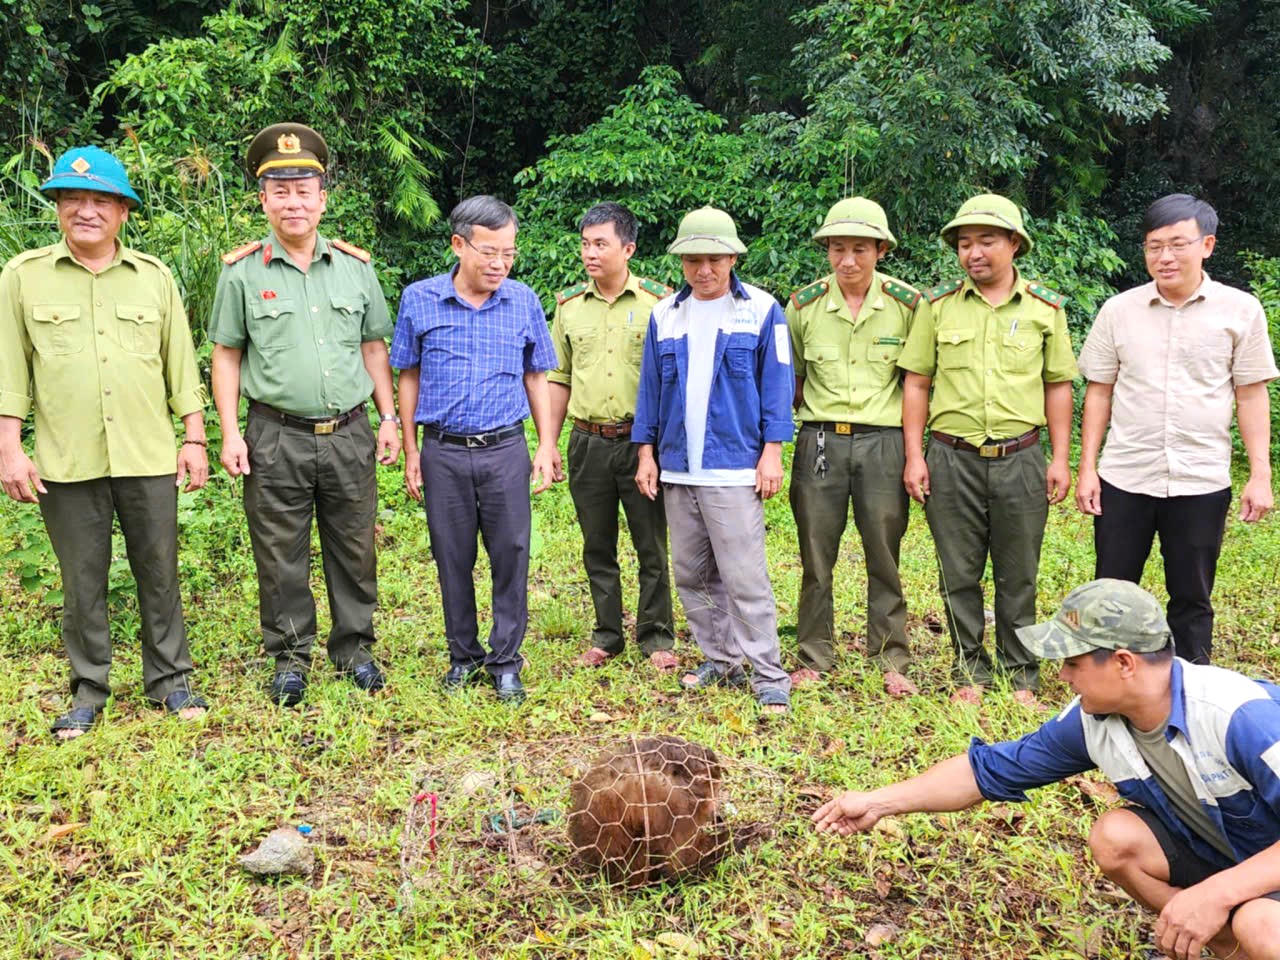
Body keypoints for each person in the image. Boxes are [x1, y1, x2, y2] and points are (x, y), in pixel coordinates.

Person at [813, 578, 1280, 960]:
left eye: (1073, 663)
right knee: (1117, 838)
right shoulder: (1093, 719)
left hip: (1262, 878)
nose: (1063, 677)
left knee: (1259, 924)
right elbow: (989, 771)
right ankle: (1227, 951)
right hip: (1240, 861)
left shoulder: (1240, 716)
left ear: (1123, 663)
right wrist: (878, 802)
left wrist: (1216, 894)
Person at [0, 146, 209, 738]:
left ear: (122, 212)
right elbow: (9, 370)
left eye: (99, 201)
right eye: (72, 199)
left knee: (159, 571)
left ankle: (170, 680)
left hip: (147, 453)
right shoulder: (23, 276)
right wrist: (10, 448)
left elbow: (179, 365)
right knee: (82, 579)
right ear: (58, 208)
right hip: (68, 459)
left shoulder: (154, 277)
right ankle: (89, 690)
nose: (85, 211)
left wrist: (194, 438)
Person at [209, 123, 399, 707]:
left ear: (323, 198)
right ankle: (290, 658)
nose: (293, 202)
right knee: (279, 552)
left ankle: (354, 649)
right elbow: (226, 354)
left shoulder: (354, 268)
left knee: (354, 546)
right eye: (280, 191)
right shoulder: (241, 273)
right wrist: (230, 432)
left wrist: (389, 418)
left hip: (349, 431)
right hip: (275, 435)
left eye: (304, 191)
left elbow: (373, 347)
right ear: (263, 200)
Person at [1076, 194, 1277, 665]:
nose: (1164, 257)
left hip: (1200, 479)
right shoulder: (1118, 310)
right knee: (1112, 591)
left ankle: (1191, 684)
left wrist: (1261, 473)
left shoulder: (1240, 310)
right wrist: (1087, 468)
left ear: (1207, 245)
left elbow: (1251, 395)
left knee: (1192, 596)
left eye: (1177, 244)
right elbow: (1099, 392)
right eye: (1154, 246)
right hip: (1125, 475)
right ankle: (1104, 683)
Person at [898, 193, 1077, 709]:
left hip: (1021, 458)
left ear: (1014, 244)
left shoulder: (1045, 309)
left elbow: (1058, 385)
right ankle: (969, 670)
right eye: (964, 243)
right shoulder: (937, 306)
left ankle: (1020, 674)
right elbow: (917, 383)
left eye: (986, 241)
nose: (973, 252)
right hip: (951, 458)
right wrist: (915, 456)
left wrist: (1059, 458)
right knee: (958, 572)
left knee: (1019, 572)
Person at [391, 195, 559, 704]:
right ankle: (463, 656)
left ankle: (505, 660)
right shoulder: (420, 299)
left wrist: (546, 444)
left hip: (505, 449)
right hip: (443, 451)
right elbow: (408, 375)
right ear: (458, 245)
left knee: (511, 554)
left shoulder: (523, 300)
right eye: (489, 252)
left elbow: (537, 376)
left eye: (509, 253)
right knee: (451, 555)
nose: (499, 264)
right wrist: (411, 450)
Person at [632, 206, 795, 714]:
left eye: (714, 259)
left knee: (744, 577)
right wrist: (646, 452)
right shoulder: (665, 314)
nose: (703, 270)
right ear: (681, 261)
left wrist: (772, 452)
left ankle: (768, 673)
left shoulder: (762, 310)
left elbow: (778, 384)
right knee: (692, 574)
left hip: (734, 468)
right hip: (679, 468)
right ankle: (721, 659)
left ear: (732, 259)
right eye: (693, 260)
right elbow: (651, 390)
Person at [786, 197, 927, 696]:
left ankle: (891, 656)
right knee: (815, 552)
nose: (848, 260)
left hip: (883, 442)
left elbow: (916, 383)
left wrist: (913, 455)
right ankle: (813, 654)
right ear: (827, 250)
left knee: (883, 552)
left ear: (881, 250)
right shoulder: (802, 307)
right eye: (838, 249)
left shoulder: (909, 306)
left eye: (860, 249)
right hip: (821, 439)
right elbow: (793, 380)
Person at [547, 202, 678, 673]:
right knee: (596, 545)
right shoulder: (568, 307)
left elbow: (670, 382)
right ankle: (607, 636)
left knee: (651, 544)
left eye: (600, 244)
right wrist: (548, 443)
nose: (590, 253)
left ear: (628, 249)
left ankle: (656, 636)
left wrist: (653, 449)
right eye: (585, 244)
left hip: (642, 443)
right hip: (588, 441)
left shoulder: (659, 304)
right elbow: (558, 377)